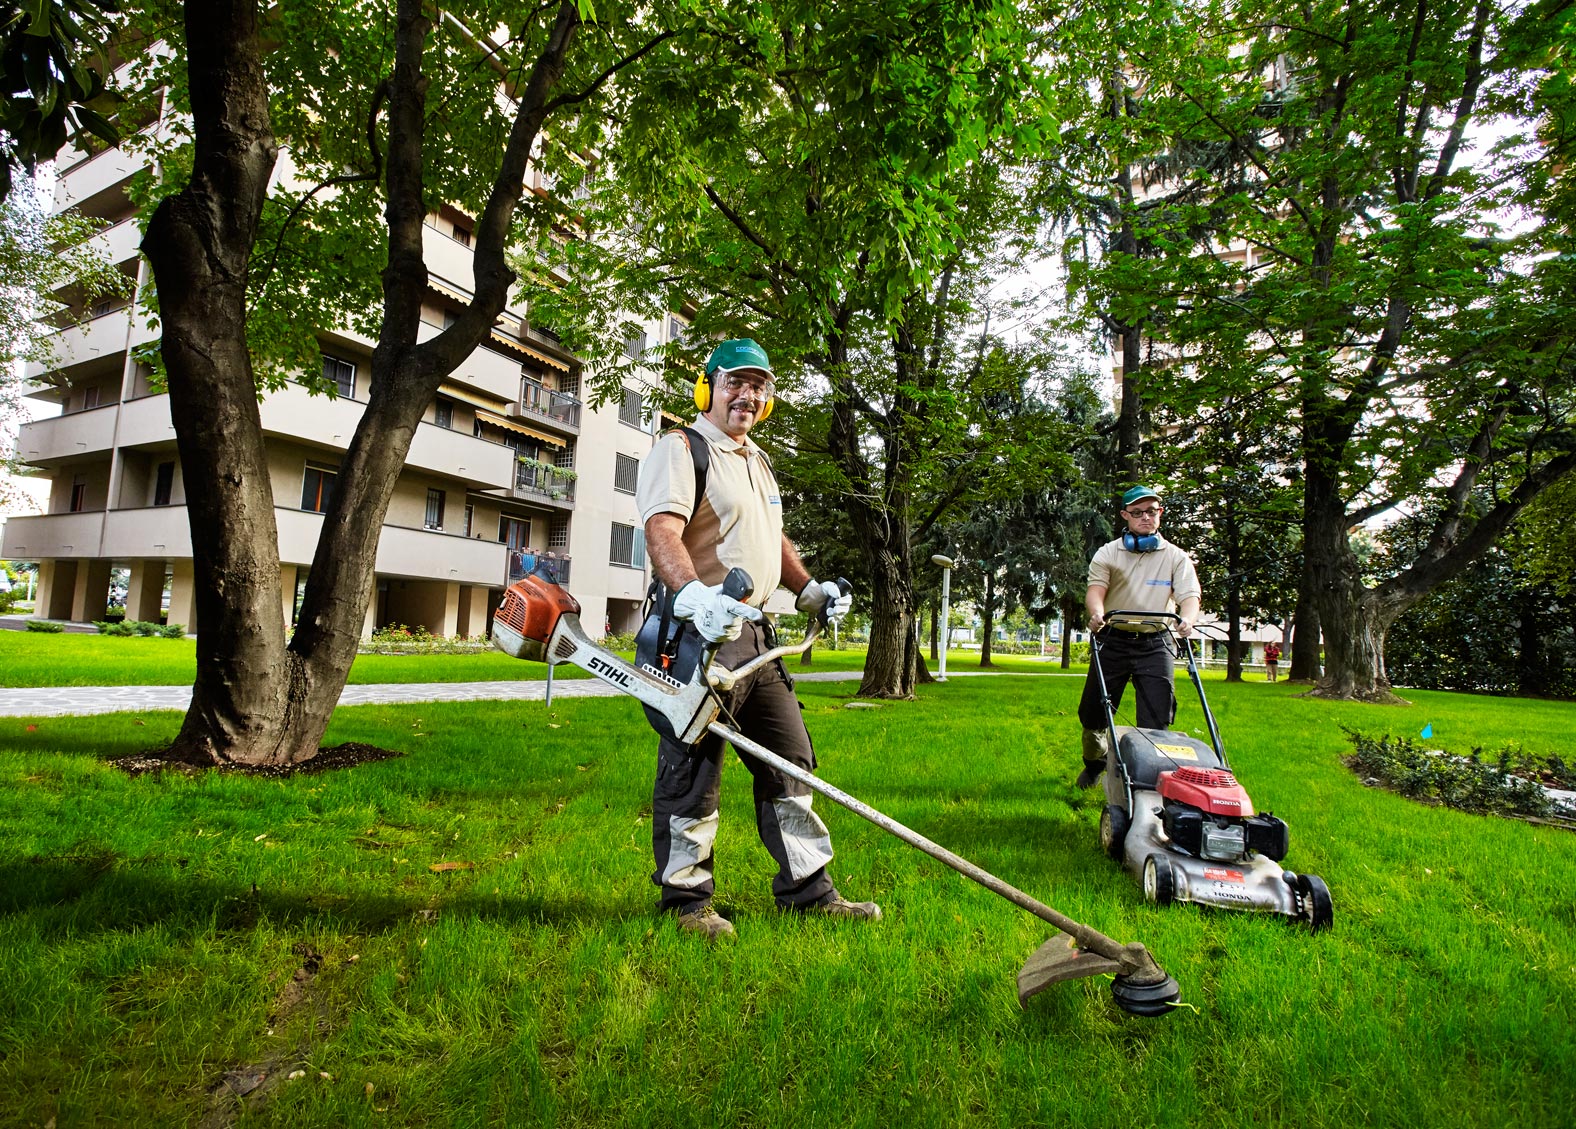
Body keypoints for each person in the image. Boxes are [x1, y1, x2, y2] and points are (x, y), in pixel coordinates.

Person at [634, 337, 879, 940]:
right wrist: (692, 595)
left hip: (757, 640)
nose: (749, 394)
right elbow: (662, 530)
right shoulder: (682, 447)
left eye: (760, 386)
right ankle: (687, 902)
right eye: (736, 382)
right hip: (697, 636)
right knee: (693, 769)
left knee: (790, 760)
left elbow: (772, 541)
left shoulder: (755, 458)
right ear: (708, 386)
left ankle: (808, 890)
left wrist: (808, 589)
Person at [1077, 485, 1202, 789]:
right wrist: (1096, 613)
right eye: (1138, 512)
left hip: (1155, 643)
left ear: (1160, 514)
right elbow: (1095, 591)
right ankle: (1095, 763)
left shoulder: (1176, 557)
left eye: (1152, 511)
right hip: (1113, 639)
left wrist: (1187, 620)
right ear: (1125, 516)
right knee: (1093, 713)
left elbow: (1189, 597)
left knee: (1157, 718)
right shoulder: (1109, 552)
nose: (1146, 517)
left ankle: (1147, 781)